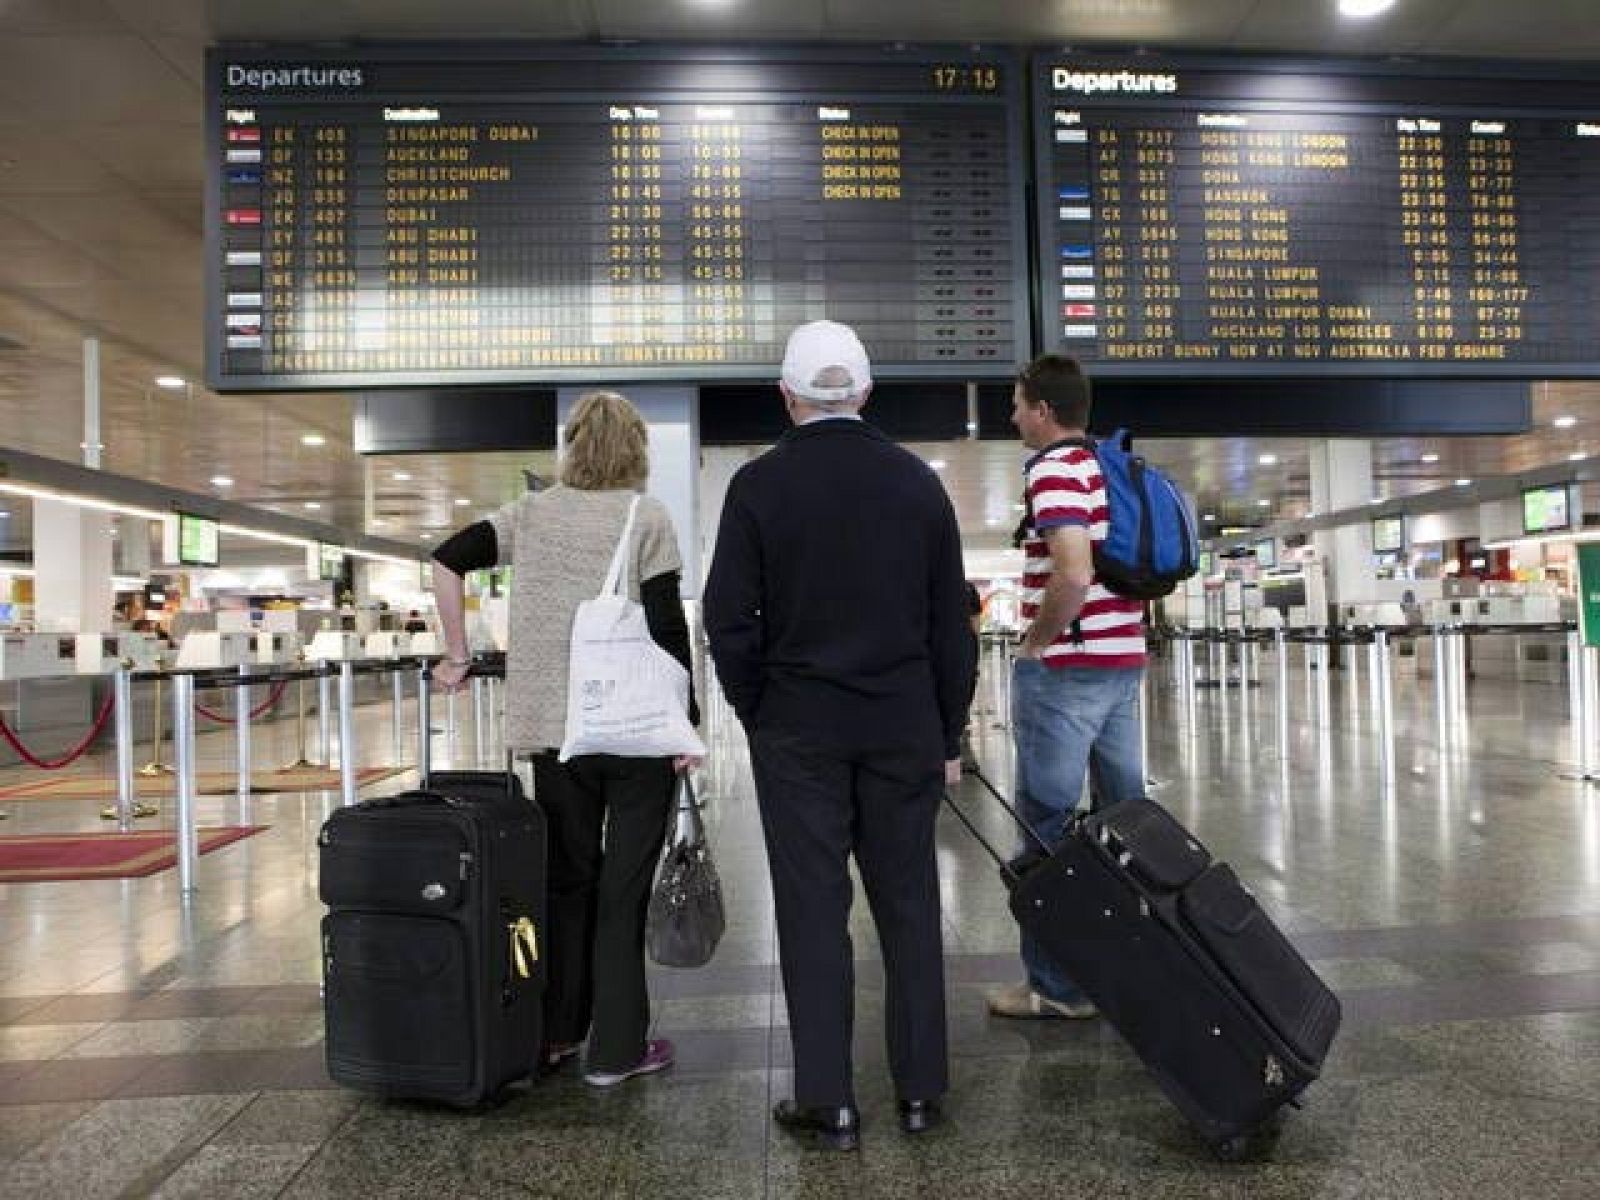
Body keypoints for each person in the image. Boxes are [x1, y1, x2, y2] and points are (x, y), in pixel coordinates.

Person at [703, 320, 975, 1150]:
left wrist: (759, 710)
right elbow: (951, 626)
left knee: (812, 908)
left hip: (799, 727)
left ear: (787, 396)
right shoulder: (917, 484)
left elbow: (728, 618)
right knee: (910, 903)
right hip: (902, 724)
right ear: (866, 392)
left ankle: (830, 1101)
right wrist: (948, 732)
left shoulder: (757, 485)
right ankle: (921, 1092)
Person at [430, 390, 700, 1089]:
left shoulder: (531, 514)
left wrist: (456, 655)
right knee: (623, 889)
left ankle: (556, 1034)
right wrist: (686, 724)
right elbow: (668, 629)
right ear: (636, 449)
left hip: (558, 733)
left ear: (572, 445)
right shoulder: (646, 515)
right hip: (637, 733)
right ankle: (616, 1051)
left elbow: (446, 559)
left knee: (566, 881)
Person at [988, 353, 1147, 1022]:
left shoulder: (1054, 470)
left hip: (1068, 670)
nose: (1013, 416)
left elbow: (1075, 573)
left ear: (1044, 410)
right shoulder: (1112, 468)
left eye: (1018, 405)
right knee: (1125, 824)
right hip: (1123, 662)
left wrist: (1035, 644)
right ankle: (1130, 971)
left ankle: (1055, 987)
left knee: (1046, 827)